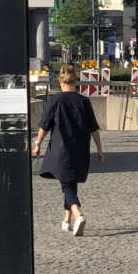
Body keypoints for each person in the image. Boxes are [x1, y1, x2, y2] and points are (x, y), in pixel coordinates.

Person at [33, 63, 104, 235]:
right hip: (80, 149)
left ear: (60, 81)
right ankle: (67, 219)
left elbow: (44, 125)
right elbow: (94, 128)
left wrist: (37, 144)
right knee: (70, 181)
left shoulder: (54, 101)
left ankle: (78, 214)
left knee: (66, 184)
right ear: (75, 81)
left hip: (60, 149)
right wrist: (100, 150)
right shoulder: (84, 101)